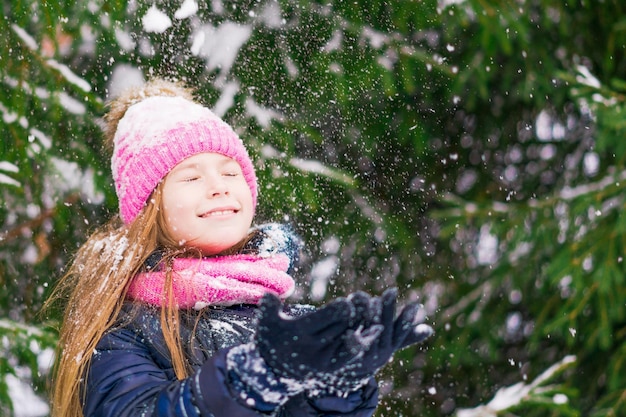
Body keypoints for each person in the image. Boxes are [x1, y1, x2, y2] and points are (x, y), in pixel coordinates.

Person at [48, 78, 433, 417]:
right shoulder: (125, 327)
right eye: (191, 176)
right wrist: (250, 377)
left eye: (231, 171)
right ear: (150, 208)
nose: (220, 185)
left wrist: (337, 388)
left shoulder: (282, 317)